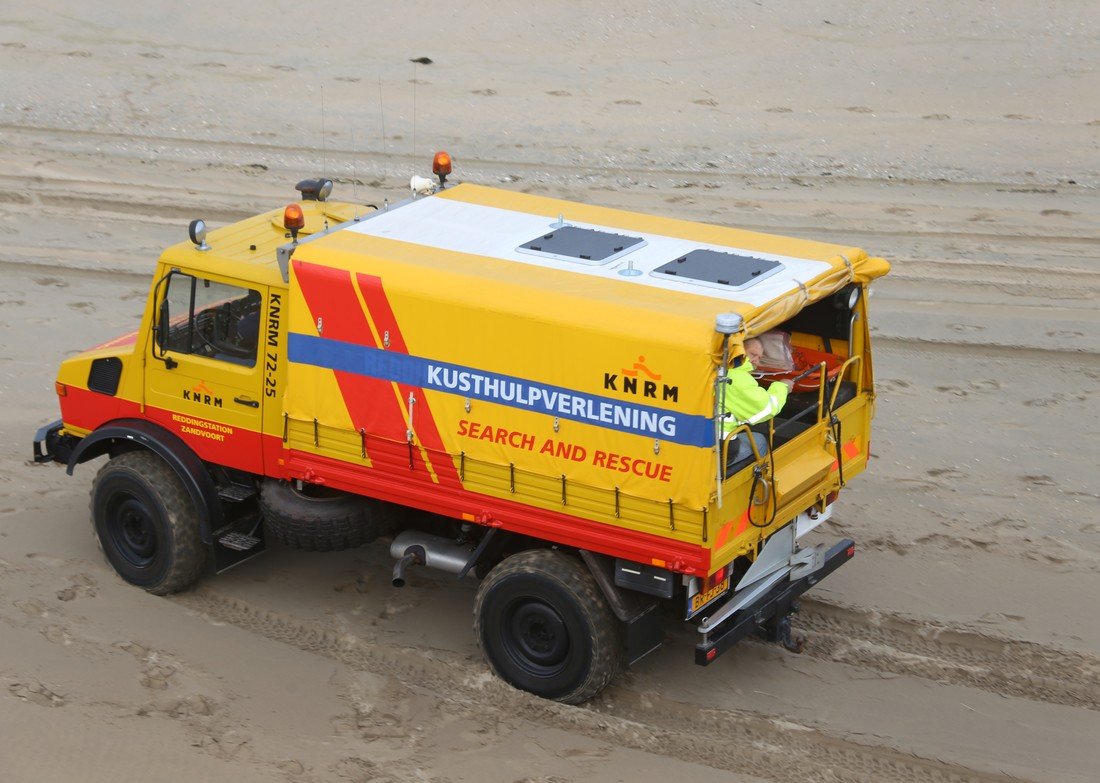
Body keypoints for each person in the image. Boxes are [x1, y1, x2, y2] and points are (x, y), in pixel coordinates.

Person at [722, 337, 793, 473]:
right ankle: (754, 485)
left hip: (696, 441)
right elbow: (767, 408)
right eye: (753, 354)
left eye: (759, 357)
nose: (756, 360)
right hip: (720, 449)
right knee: (759, 440)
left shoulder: (714, 367)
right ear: (739, 351)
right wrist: (782, 387)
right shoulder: (737, 378)